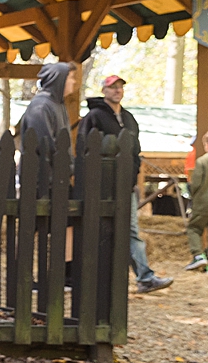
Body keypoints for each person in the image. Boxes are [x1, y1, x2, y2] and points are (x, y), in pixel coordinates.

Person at [78, 75, 173, 294]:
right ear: (104, 90)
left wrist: (132, 178)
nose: (117, 90)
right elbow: (84, 150)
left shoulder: (129, 118)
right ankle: (96, 278)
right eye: (113, 87)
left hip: (126, 186)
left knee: (130, 230)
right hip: (102, 186)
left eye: (120, 87)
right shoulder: (94, 116)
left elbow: (135, 152)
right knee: (100, 230)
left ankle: (145, 277)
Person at [16, 61, 76, 159]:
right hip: (40, 171)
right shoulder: (41, 106)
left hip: (58, 171)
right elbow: (44, 144)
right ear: (60, 79)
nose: (74, 81)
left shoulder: (58, 104)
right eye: (71, 77)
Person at [187, 132, 208, 272]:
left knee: (194, 228)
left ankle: (198, 256)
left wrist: (192, 196)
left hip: (203, 202)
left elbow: (196, 184)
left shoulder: (202, 161)